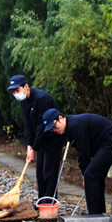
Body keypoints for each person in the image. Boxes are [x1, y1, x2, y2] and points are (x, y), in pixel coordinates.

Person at [42, 108, 112, 214]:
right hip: (104, 144)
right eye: (51, 129)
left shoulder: (75, 125)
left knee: (91, 175)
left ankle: (95, 214)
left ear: (60, 118)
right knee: (94, 176)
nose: (54, 130)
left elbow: (83, 151)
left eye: (54, 126)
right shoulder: (69, 128)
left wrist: (84, 174)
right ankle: (98, 213)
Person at [8, 75, 65, 204]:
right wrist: (29, 145)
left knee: (48, 171)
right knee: (40, 172)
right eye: (14, 92)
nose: (16, 94)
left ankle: (49, 201)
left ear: (26, 86)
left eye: (17, 90)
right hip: (41, 139)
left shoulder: (41, 99)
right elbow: (28, 124)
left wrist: (34, 148)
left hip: (53, 136)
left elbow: (42, 126)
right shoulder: (24, 102)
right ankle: (42, 200)